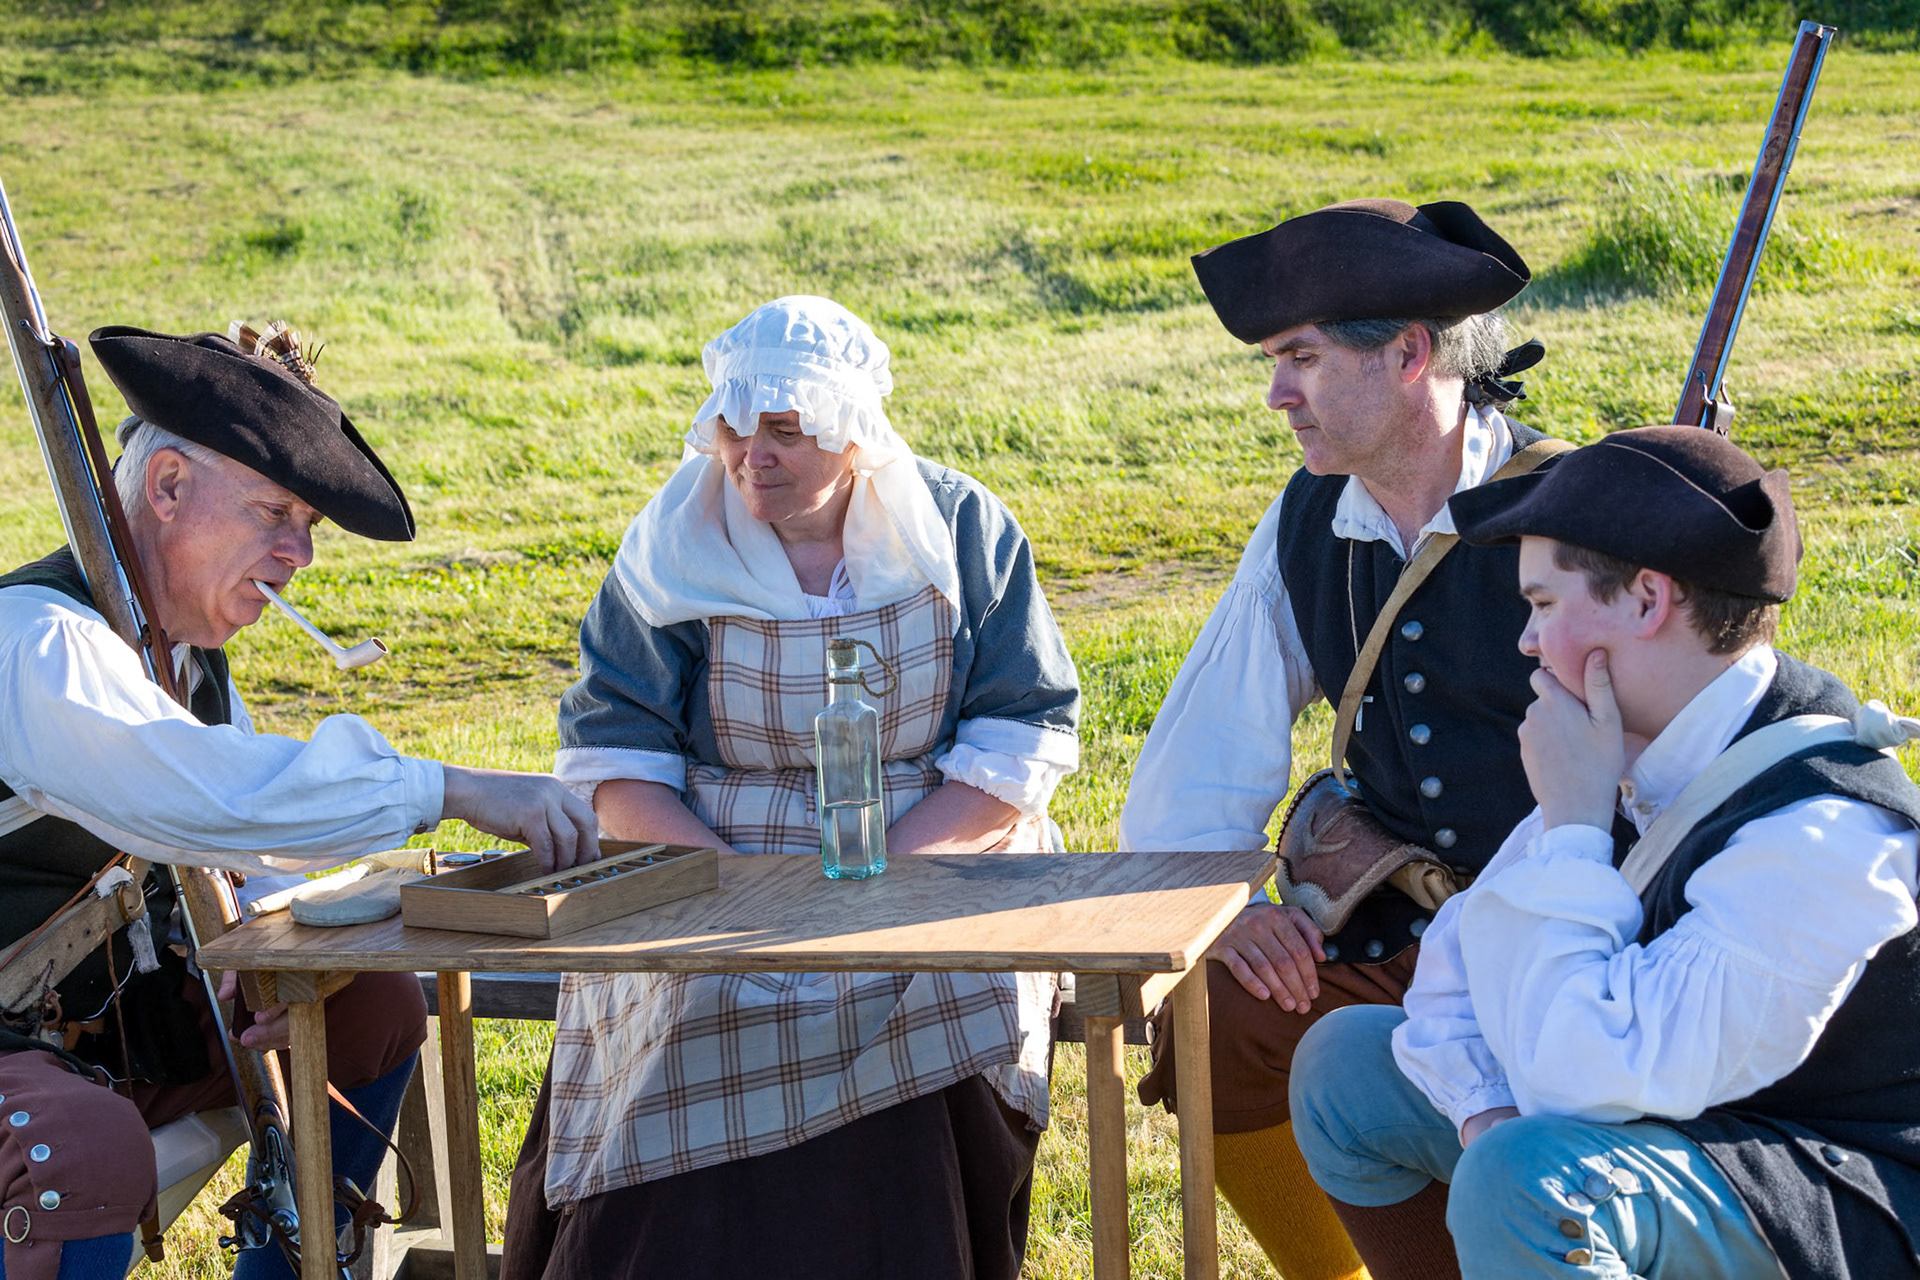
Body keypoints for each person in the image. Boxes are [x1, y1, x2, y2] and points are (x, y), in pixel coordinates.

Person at [0, 324, 599, 1280]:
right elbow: (208, 795)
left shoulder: (187, 660)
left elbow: (248, 848)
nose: (299, 556)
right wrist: (449, 788)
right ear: (166, 491)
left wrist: (265, 952)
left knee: (371, 1008)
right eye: (275, 513)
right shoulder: (34, 641)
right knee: (75, 1153)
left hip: (114, 1032)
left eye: (308, 526)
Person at [500, 295, 1080, 1280]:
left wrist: (886, 880)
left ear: (853, 434)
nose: (748, 455)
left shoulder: (960, 527)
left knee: (936, 990)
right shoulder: (677, 539)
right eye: (735, 425)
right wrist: (745, 890)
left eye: (784, 430)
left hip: (931, 847)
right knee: (689, 998)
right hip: (712, 856)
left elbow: (1020, 733)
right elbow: (615, 755)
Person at [1289, 426, 1920, 1279]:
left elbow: (1583, 1079)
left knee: (1528, 1182)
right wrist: (1483, 1120)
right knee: (1348, 1069)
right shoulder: (1637, 751)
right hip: (1664, 1121)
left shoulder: (1825, 833)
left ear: (1648, 600)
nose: (1526, 640)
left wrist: (1578, 829)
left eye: (1545, 604)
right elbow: (1453, 976)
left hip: (1838, 1196)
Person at [1118, 198, 1555, 1278]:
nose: (1277, 391)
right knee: (1216, 1012)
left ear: (1410, 353)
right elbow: (1208, 747)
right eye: (1275, 359)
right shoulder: (1311, 517)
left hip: (1563, 941)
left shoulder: (1570, 504)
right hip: (1397, 929)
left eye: (1302, 357)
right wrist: (1221, 905)